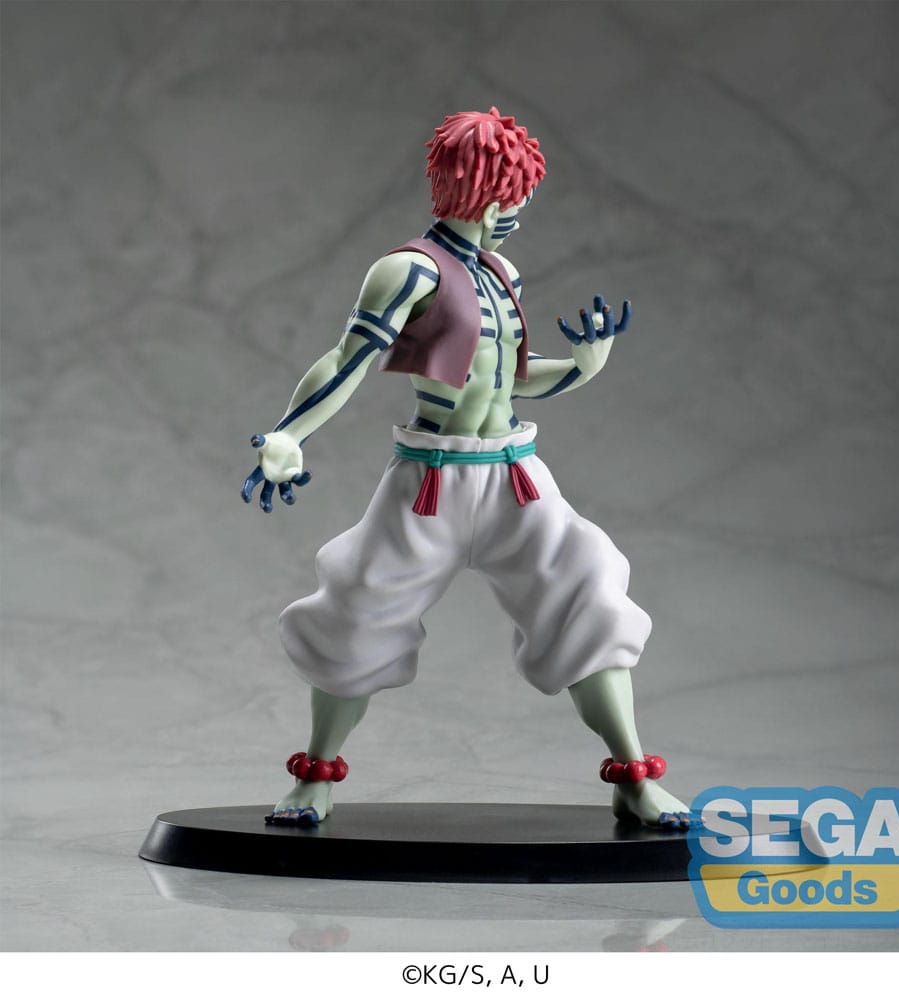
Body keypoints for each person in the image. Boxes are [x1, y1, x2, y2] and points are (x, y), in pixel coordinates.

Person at [242, 108, 693, 829]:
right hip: (429, 484)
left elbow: (510, 379)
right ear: (485, 195)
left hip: (517, 479)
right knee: (358, 607)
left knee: (588, 593)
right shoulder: (408, 270)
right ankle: (315, 777)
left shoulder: (501, 273)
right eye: (512, 198)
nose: (516, 214)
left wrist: (582, 368)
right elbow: (348, 358)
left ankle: (635, 778)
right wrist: (289, 432)